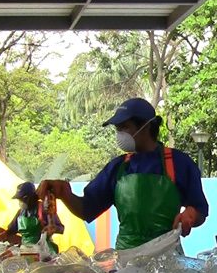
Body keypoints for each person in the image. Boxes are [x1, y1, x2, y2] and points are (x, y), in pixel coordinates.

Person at [37, 97, 208, 250]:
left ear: (146, 126)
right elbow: (87, 209)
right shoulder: (117, 168)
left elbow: (200, 209)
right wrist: (65, 194)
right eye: (117, 129)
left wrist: (191, 215)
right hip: (127, 258)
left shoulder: (179, 163)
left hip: (168, 257)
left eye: (124, 127)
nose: (120, 134)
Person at [0, 182, 64, 253]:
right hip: (26, 250)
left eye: (21, 199)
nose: (20, 202)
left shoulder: (44, 209)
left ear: (29, 198)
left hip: (43, 251)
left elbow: (61, 228)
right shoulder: (20, 213)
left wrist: (52, 228)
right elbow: (10, 231)